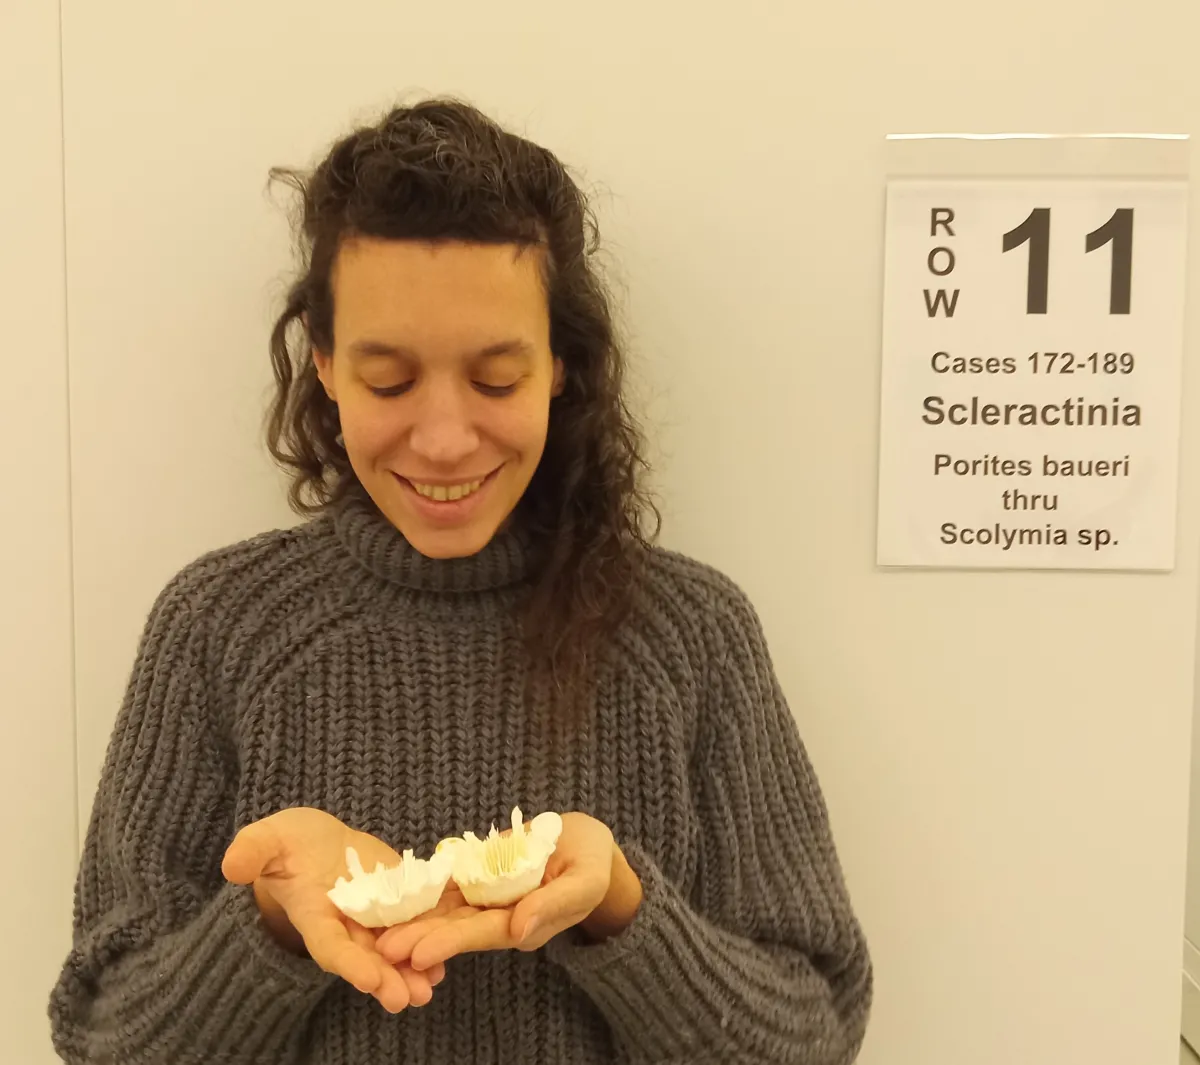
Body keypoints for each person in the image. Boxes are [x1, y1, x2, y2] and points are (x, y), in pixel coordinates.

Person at [48, 97, 872, 1065]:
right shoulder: (219, 628)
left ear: (561, 367)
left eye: (495, 380)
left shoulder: (691, 635)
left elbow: (814, 1029)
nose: (442, 439)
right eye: (390, 381)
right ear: (323, 365)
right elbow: (102, 1034)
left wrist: (619, 908)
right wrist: (271, 919)